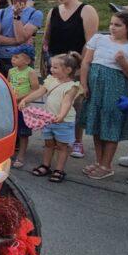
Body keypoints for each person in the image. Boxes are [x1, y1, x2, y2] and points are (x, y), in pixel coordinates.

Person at [79, 12, 128, 179]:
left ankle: (106, 164)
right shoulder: (99, 39)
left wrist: (123, 63)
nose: (112, 28)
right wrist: (84, 84)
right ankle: (99, 161)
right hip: (95, 87)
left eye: (118, 25)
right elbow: (86, 62)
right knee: (97, 123)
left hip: (114, 89)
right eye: (111, 24)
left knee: (110, 124)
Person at [42, 0, 98, 158]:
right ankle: (56, 138)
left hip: (76, 63)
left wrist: (82, 66)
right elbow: (46, 37)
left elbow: (91, 42)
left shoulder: (86, 10)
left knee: (76, 104)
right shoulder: (53, 11)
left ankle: (77, 140)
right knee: (54, 101)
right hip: (55, 62)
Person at [21, 52, 82, 183]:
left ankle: (59, 169)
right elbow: (40, 91)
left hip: (63, 121)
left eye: (55, 67)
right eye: (51, 67)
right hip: (48, 118)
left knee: (62, 146)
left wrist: (61, 115)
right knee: (48, 143)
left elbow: (67, 102)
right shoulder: (50, 80)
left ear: (68, 70)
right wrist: (26, 100)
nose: (51, 69)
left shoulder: (72, 86)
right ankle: (45, 165)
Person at [0, 0, 43, 75]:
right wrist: (20, 41)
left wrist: (16, 17)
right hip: (2, 59)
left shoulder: (36, 14)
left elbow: (21, 37)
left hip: (24, 61)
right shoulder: (0, 13)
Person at [8, 50, 39, 169]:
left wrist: (21, 99)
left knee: (23, 132)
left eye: (16, 57)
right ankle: (10, 152)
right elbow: (8, 84)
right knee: (12, 130)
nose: (13, 59)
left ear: (27, 60)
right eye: (12, 57)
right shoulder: (11, 71)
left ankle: (21, 156)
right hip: (12, 104)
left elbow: (35, 89)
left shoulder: (30, 72)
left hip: (22, 106)